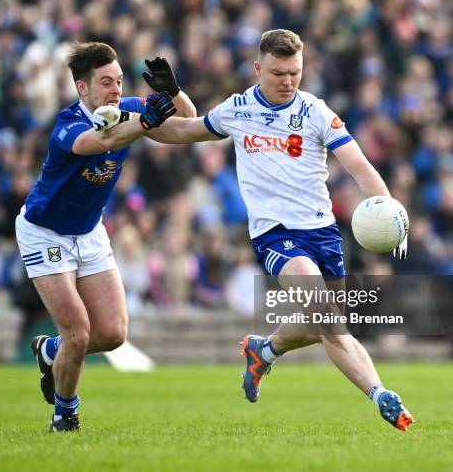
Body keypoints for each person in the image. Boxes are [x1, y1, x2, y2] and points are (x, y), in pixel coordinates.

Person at [98, 29, 414, 431]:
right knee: (328, 320)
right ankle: (382, 395)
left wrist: (392, 215)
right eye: (279, 73)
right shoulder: (237, 109)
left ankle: (264, 350)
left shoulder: (315, 111)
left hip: (323, 233)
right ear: (258, 68)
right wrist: (138, 116)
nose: (288, 81)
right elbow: (180, 131)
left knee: (321, 322)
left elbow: (360, 167)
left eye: (295, 73)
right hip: (276, 235)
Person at [16, 42, 196, 432]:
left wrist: (173, 92)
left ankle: (50, 351)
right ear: (82, 89)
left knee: (113, 333)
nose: (116, 90)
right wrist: (145, 122)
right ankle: (65, 414)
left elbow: (187, 123)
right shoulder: (68, 124)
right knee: (78, 334)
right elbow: (102, 142)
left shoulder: (128, 107)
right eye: (105, 83)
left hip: (88, 229)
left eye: (118, 81)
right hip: (45, 232)